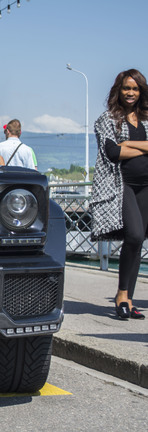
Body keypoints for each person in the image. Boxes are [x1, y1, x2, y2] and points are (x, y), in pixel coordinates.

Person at [91, 68, 148, 320]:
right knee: (134, 235)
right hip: (121, 184)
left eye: (135, 89)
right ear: (119, 90)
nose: (131, 93)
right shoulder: (107, 119)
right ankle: (121, 294)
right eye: (127, 88)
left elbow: (121, 148)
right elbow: (112, 153)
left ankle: (128, 299)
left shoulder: (147, 117)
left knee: (137, 243)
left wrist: (128, 144)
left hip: (146, 186)